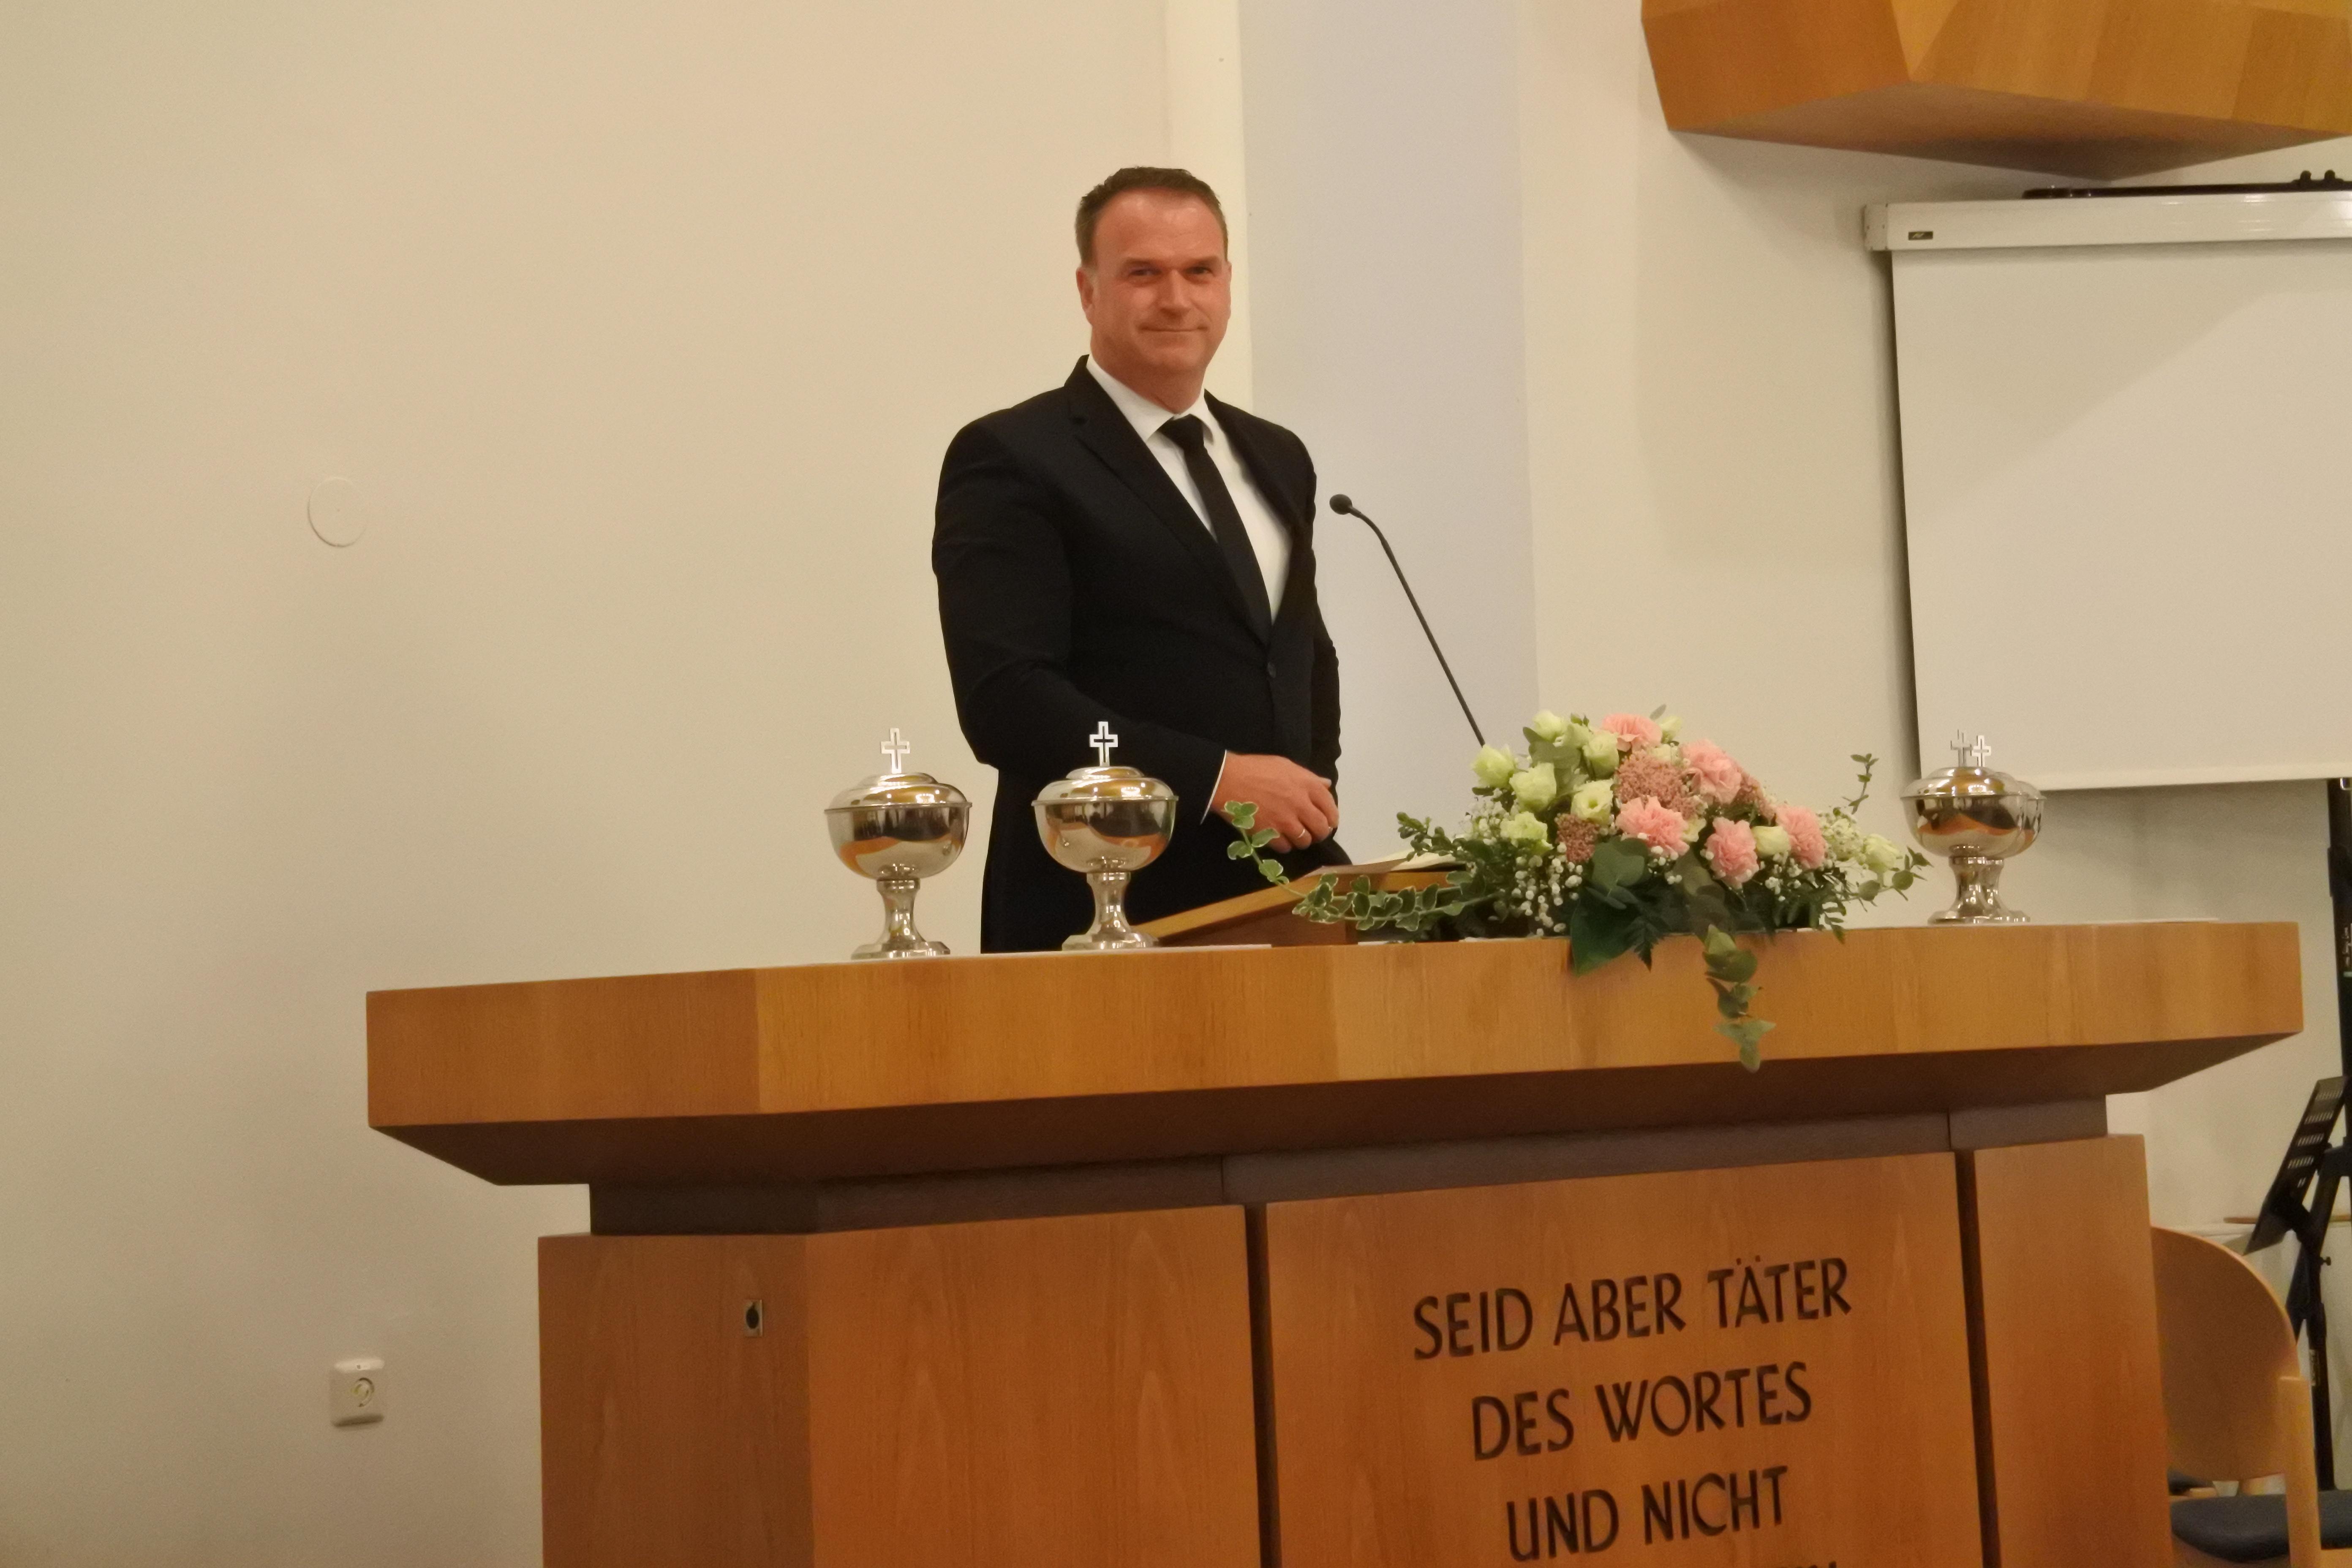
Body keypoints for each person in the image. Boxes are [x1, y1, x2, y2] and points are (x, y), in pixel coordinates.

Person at [934, 166, 1347, 953]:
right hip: (1099, 900)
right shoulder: (1013, 456)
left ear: (1228, 284)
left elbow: (1301, 656)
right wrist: (1219, 779)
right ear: (1088, 292)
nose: (1177, 299)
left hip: (1282, 894)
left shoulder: (1277, 455)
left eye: (1200, 271)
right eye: (1144, 274)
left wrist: (1304, 800)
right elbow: (1006, 699)